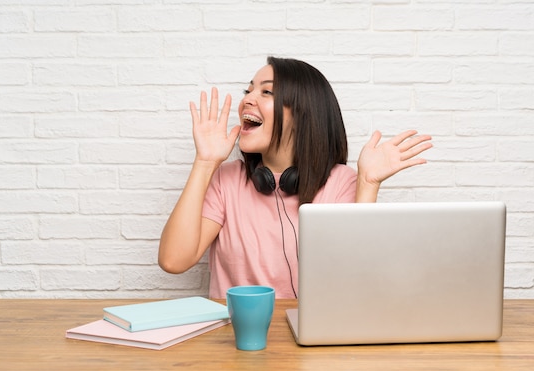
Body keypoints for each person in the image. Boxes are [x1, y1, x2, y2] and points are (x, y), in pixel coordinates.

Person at [158, 56, 432, 299]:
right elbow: (173, 261)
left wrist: (368, 184)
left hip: (317, 337)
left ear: (302, 114)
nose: (247, 99)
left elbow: (360, 280)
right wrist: (205, 162)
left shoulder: (340, 183)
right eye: (249, 89)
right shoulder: (227, 180)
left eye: (266, 92)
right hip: (238, 339)